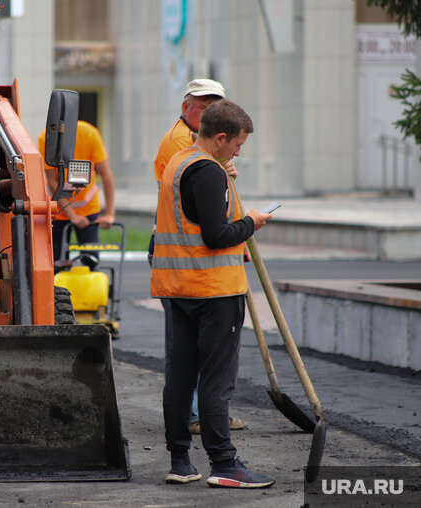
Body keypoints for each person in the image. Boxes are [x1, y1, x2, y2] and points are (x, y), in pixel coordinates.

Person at [151, 99, 275, 488]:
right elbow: (216, 235)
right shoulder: (208, 173)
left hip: (180, 288)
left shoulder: (179, 161)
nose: (239, 151)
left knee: (181, 376)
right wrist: (251, 222)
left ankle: (180, 462)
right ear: (220, 138)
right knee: (216, 382)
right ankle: (225, 464)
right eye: (237, 144)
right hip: (213, 293)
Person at [153, 78, 247, 436]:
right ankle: (215, 445)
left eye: (215, 104)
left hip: (185, 274)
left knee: (182, 365)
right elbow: (215, 233)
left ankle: (180, 453)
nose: (209, 111)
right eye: (204, 104)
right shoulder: (189, 149)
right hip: (202, 279)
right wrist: (250, 224)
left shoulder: (190, 152)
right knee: (208, 369)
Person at [38, 120, 116, 261]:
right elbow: (52, 183)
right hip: (59, 209)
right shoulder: (46, 138)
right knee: (56, 262)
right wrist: (72, 215)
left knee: (90, 259)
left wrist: (109, 214)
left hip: (87, 208)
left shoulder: (89, 134)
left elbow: (106, 176)